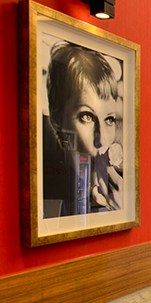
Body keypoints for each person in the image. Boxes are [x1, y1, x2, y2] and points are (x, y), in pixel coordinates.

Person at [43, 41, 123, 216]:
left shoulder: (117, 187)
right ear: (56, 118)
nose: (102, 138)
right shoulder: (49, 185)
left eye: (109, 119)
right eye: (87, 117)